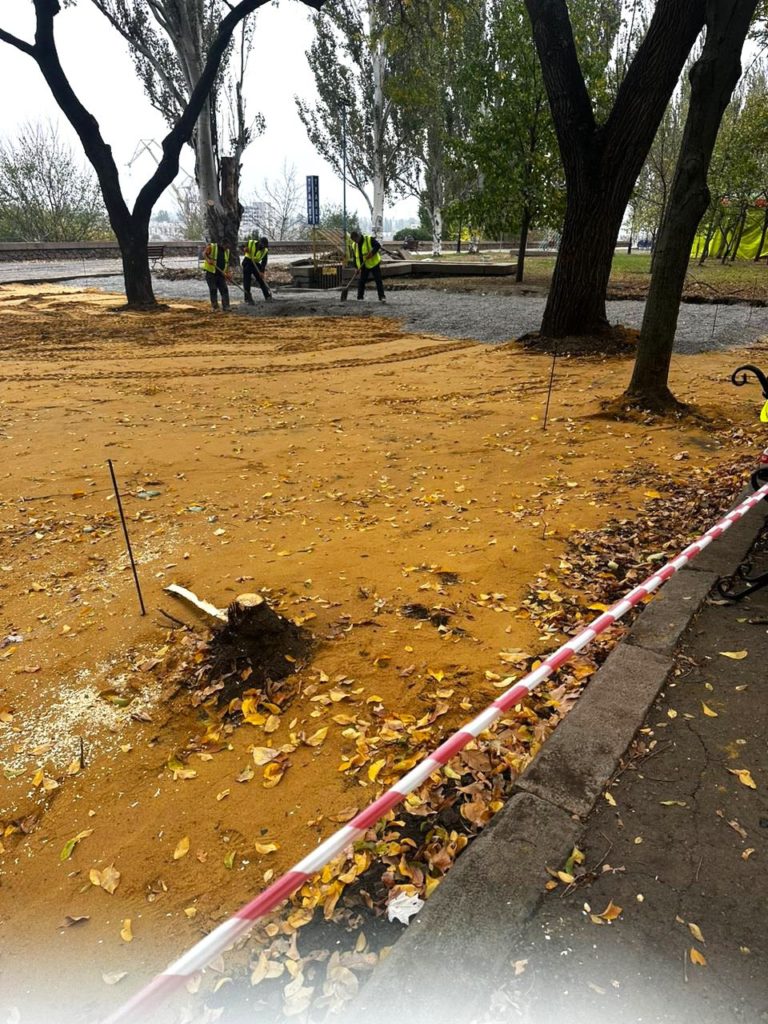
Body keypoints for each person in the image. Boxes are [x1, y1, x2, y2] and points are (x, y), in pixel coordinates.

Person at [350, 229, 386, 302]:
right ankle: (360, 297)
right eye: (354, 240)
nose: (355, 242)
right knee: (362, 281)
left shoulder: (368, 239)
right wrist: (356, 267)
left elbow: (377, 245)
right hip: (364, 265)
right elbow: (355, 257)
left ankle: (382, 297)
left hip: (374, 264)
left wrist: (372, 253)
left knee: (378, 280)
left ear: (358, 236)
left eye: (356, 240)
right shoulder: (354, 245)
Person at [202, 240, 231, 311]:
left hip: (220, 274)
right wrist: (208, 260)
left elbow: (227, 263)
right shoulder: (212, 247)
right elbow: (204, 254)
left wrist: (227, 273)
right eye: (226, 246)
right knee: (213, 289)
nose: (227, 248)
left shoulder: (227, 251)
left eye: (228, 246)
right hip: (211, 273)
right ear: (222, 244)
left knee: (224, 289)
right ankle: (215, 307)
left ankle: (226, 306)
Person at [242, 236, 273, 303]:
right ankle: (247, 298)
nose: (262, 247)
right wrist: (244, 248)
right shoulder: (251, 242)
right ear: (259, 243)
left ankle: (267, 296)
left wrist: (262, 271)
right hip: (247, 262)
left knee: (261, 279)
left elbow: (264, 262)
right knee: (247, 281)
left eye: (264, 246)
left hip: (255, 264)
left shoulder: (265, 250)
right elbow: (243, 245)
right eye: (262, 245)